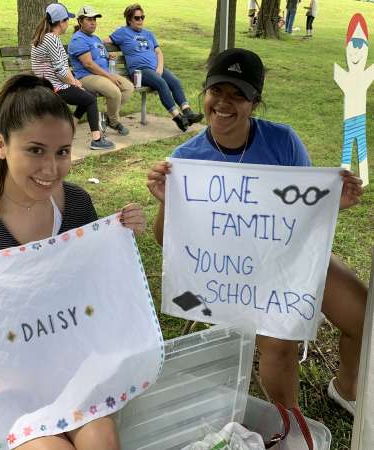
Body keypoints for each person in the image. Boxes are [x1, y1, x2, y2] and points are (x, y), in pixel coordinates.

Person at [0, 74, 147, 449]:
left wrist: (119, 243)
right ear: (1, 145)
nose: (50, 168)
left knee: (102, 438)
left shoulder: (76, 205)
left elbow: (94, 292)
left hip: (66, 363)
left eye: (62, 152)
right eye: (35, 150)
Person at [147, 48, 367, 415]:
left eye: (238, 95)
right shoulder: (187, 158)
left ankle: (346, 388)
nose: (224, 103)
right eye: (217, 90)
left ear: (255, 103)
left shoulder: (283, 142)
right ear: (204, 93)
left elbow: (303, 216)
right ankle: (288, 421)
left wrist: (332, 203)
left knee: (364, 315)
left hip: (289, 259)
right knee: (280, 345)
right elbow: (162, 239)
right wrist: (167, 202)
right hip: (229, 272)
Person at [106, 4, 204, 132]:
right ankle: (178, 118)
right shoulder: (122, 32)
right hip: (140, 71)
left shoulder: (149, 34)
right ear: (129, 19)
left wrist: (160, 67)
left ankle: (188, 112)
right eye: (137, 18)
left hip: (156, 68)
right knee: (161, 83)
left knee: (175, 82)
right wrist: (108, 53)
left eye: (142, 17)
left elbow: (159, 52)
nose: (140, 20)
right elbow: (102, 42)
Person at [31, 3, 115, 151]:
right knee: (89, 99)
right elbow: (61, 71)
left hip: (47, 85)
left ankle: (69, 130)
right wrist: (74, 82)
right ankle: (96, 139)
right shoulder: (52, 39)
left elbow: (61, 67)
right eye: (66, 20)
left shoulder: (44, 36)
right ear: (61, 22)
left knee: (87, 95)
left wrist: (75, 82)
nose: (67, 24)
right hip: (53, 88)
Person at [68, 5, 134, 136]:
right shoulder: (78, 39)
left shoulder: (96, 38)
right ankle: (114, 122)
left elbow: (98, 54)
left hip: (102, 75)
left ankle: (108, 116)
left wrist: (108, 56)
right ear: (80, 21)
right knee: (114, 92)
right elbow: (88, 64)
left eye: (94, 19)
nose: (93, 22)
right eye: (89, 19)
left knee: (128, 87)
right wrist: (110, 77)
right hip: (86, 77)